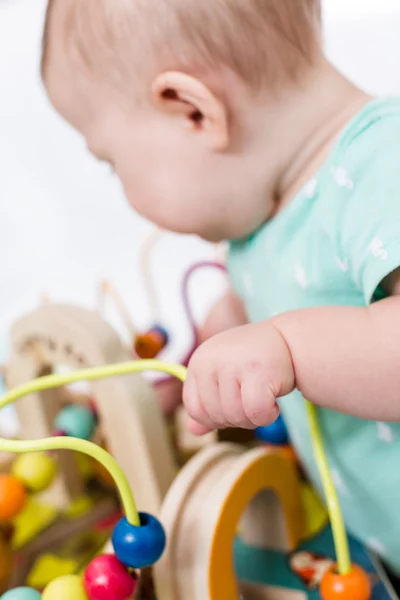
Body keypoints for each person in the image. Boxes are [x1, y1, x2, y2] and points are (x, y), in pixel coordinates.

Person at [41, 0, 400, 579]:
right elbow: (282, 310)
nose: (122, 191)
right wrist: (193, 374)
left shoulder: (382, 164)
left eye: (112, 162)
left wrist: (287, 346)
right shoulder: (261, 220)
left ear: (192, 112)